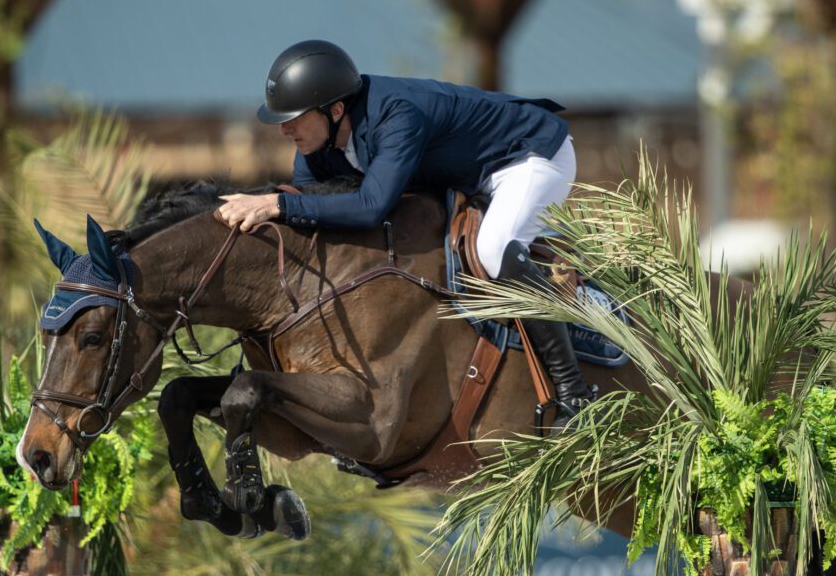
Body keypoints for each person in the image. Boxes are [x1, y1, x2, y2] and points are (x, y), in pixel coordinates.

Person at [217, 40, 594, 428]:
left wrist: (277, 205)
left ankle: (574, 393)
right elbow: (316, 214)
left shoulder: (398, 114)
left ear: (335, 110)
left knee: (494, 247)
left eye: (294, 117)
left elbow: (369, 206)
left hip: (525, 158)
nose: (283, 129)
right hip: (467, 176)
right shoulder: (316, 146)